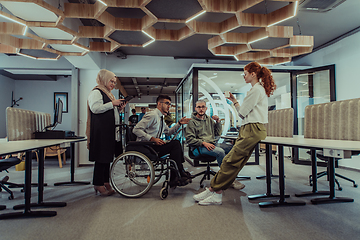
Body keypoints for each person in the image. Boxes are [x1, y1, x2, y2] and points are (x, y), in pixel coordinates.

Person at [193, 62, 276, 205]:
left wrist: (236, 104)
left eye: (245, 74)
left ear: (253, 74)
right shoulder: (257, 90)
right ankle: (214, 190)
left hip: (252, 129)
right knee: (233, 162)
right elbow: (243, 112)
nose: (243, 76)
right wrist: (234, 101)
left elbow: (242, 113)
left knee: (230, 161)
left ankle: (215, 190)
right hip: (251, 129)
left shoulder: (256, 90)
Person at [133, 94, 192, 187]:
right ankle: (178, 173)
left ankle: (178, 174)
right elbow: (136, 129)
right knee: (175, 145)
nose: (169, 106)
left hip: (153, 146)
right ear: (159, 104)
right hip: (147, 146)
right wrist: (152, 138)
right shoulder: (152, 115)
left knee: (176, 143)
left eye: (170, 104)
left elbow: (168, 132)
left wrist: (179, 123)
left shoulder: (160, 118)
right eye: (167, 103)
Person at [185, 100, 244, 190]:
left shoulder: (209, 119)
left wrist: (218, 122)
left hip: (212, 145)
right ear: (196, 108)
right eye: (199, 107)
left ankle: (230, 176)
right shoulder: (191, 122)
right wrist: (203, 143)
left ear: (206, 108)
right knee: (220, 152)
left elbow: (217, 133)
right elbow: (189, 139)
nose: (201, 109)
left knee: (234, 149)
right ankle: (227, 180)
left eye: (203, 107)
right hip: (198, 147)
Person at [86, 69, 127, 196]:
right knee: (101, 158)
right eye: (111, 81)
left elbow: (111, 113)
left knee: (107, 158)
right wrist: (112, 103)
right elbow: (95, 108)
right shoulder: (96, 92)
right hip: (101, 131)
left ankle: (105, 181)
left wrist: (119, 108)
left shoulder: (109, 94)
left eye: (114, 82)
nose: (113, 84)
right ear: (104, 79)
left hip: (108, 130)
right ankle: (98, 183)